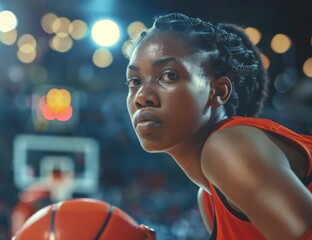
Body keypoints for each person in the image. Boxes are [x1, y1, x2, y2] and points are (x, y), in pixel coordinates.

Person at [124, 12, 312, 240]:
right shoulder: (208, 198)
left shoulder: (228, 147)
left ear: (218, 92)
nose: (142, 97)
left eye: (168, 76)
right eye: (135, 81)